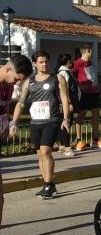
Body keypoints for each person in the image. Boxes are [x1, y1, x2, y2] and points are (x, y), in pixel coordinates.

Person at [10, 50, 71, 199]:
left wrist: (66, 119)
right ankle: (47, 184)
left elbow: (64, 98)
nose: (44, 64)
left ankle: (49, 185)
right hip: (35, 121)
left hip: (52, 119)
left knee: (45, 151)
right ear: (35, 64)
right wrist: (14, 122)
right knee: (40, 154)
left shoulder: (57, 78)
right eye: (41, 62)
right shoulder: (29, 82)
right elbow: (21, 103)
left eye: (46, 61)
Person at [0, 54, 33, 235]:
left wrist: (8, 125)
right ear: (8, 69)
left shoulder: (8, 86)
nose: (18, 83)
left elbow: (4, 109)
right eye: (18, 79)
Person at [72, 43, 101, 150]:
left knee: (96, 114)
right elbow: (70, 74)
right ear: (88, 51)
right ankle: (78, 140)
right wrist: (79, 84)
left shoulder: (90, 62)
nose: (93, 53)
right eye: (92, 51)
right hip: (85, 94)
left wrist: (97, 85)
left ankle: (95, 139)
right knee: (81, 115)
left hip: (95, 92)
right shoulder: (78, 63)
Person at [56, 54, 79, 156]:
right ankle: (67, 147)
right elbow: (65, 90)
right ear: (68, 61)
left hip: (67, 102)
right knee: (66, 123)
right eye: (71, 60)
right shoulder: (63, 73)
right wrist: (69, 103)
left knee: (64, 123)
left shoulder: (66, 72)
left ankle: (62, 145)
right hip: (66, 103)